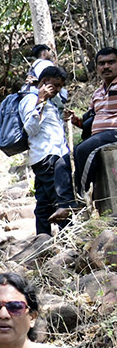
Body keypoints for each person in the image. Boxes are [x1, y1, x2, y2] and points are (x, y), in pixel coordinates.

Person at [51, 47, 117, 222]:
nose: (106, 66)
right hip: (98, 137)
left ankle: (81, 201)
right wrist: (76, 120)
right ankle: (66, 203)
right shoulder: (97, 93)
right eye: (102, 63)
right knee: (62, 162)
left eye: (111, 62)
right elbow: (91, 120)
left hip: (114, 134)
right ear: (96, 68)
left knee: (83, 150)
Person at [17, 65, 72, 235]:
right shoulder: (30, 100)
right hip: (46, 157)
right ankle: (68, 239)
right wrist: (40, 101)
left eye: (60, 87)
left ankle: (42, 240)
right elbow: (30, 129)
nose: (57, 90)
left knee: (43, 203)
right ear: (43, 82)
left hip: (51, 156)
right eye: (54, 85)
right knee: (60, 200)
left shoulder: (50, 102)